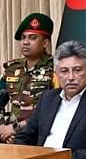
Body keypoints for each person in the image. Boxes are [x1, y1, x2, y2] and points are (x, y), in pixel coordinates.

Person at [15, 40, 86, 159]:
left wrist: (66, 158)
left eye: (77, 70)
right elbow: (25, 136)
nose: (71, 77)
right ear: (56, 74)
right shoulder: (48, 98)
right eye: (64, 71)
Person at [0, 13, 55, 143]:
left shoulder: (55, 69)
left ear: (45, 43)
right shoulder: (12, 69)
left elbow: (55, 109)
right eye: (23, 37)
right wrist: (2, 128)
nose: (25, 42)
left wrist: (14, 129)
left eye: (32, 38)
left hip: (38, 134)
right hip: (8, 134)